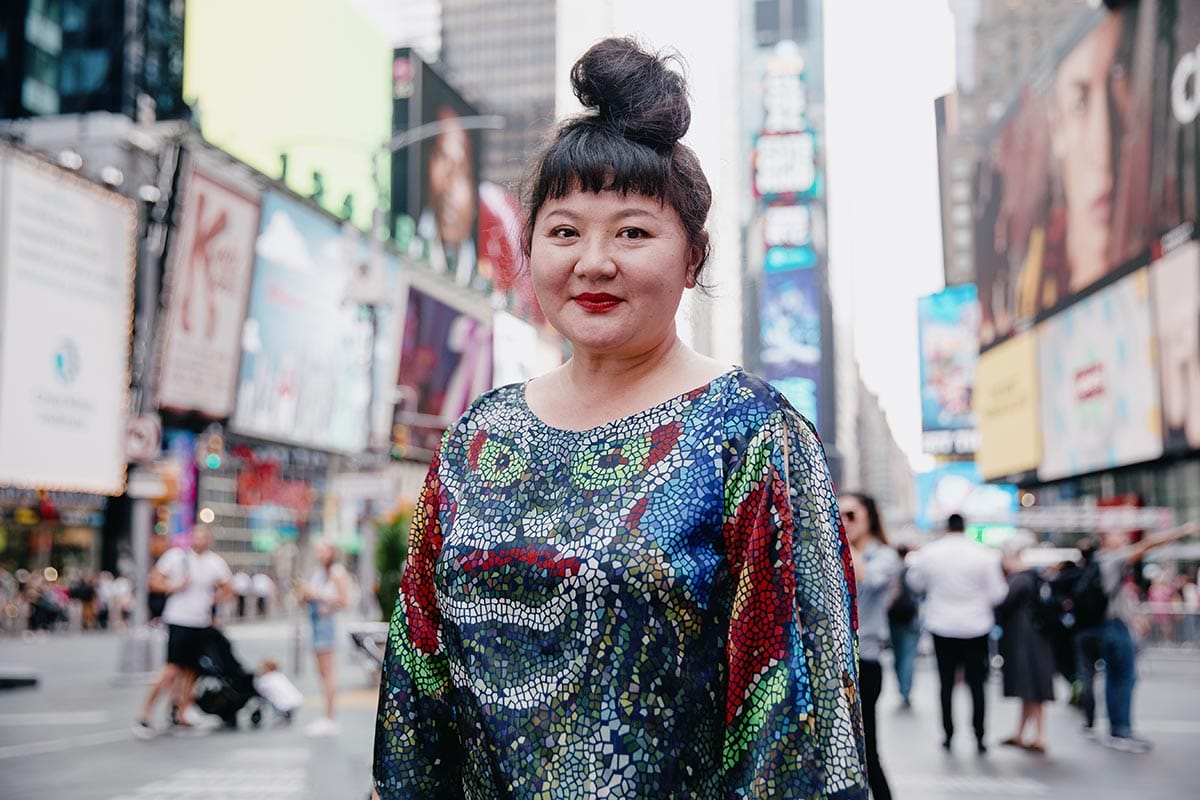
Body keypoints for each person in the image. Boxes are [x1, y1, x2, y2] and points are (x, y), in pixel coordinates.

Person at [373, 37, 868, 800]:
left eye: (633, 232)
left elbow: (802, 729)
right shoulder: (477, 438)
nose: (593, 262)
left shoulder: (753, 434)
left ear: (692, 258)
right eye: (564, 231)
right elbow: (416, 685)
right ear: (531, 248)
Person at [1074, 521, 1199, 752]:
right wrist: (1183, 531)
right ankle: (1121, 729)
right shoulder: (1111, 559)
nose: (1122, 538)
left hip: (1113, 626)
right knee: (1123, 678)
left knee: (1117, 677)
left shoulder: (1103, 561)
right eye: (1116, 534)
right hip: (1115, 627)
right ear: (1104, 539)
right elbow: (1148, 545)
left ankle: (1119, 728)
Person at [906, 512, 1008, 754]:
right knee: (977, 684)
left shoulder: (930, 553)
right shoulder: (984, 554)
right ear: (966, 527)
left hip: (942, 624)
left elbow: (915, 583)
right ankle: (980, 735)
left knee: (945, 683)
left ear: (945, 527)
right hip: (976, 625)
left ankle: (948, 734)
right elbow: (998, 593)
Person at [1046, 12, 1131, 296]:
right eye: (1080, 103)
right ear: (1056, 125)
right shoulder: (1031, 284)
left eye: (1121, 82)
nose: (1103, 147)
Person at [133, 524, 233, 737]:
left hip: (201, 622)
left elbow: (229, 587)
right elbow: (153, 581)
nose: (200, 540)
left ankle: (181, 713)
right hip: (179, 620)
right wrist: (174, 586)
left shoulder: (215, 562)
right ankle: (145, 715)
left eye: (204, 536)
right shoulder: (176, 557)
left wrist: (210, 601)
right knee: (171, 669)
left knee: (191, 670)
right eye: (197, 536)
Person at [840, 493, 897, 800]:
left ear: (869, 516)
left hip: (866, 662)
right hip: (836, 663)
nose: (844, 522)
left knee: (867, 749)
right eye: (838, 516)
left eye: (850, 515)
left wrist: (843, 540)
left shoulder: (883, 556)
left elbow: (867, 582)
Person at [995, 552, 1056, 755]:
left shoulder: (1021, 579)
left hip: (1027, 639)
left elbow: (1003, 603)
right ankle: (1021, 732)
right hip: (1034, 636)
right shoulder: (1034, 578)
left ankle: (1040, 735)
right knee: (1029, 687)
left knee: (1033, 685)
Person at [418, 106, 478, 287]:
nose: (450, 182)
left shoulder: (479, 277)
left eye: (461, 169)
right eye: (443, 159)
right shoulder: (414, 246)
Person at [299, 539, 349, 737]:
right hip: (315, 623)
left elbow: (343, 601)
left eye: (323, 550)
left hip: (325, 625)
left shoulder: (336, 572)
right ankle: (326, 716)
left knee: (328, 673)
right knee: (321, 672)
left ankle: (330, 718)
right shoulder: (318, 571)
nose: (320, 554)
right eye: (317, 550)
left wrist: (319, 596)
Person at [888, 544, 922, 710]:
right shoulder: (910, 571)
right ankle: (905, 691)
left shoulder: (891, 570)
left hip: (893, 619)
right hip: (910, 620)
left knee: (898, 656)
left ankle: (902, 689)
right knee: (908, 656)